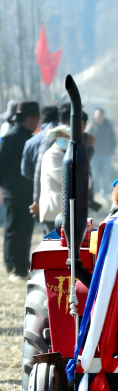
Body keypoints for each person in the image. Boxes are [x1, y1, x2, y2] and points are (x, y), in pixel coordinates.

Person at [0, 102, 40, 280]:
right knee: (14, 229)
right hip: (13, 192)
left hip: (26, 191)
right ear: (29, 118)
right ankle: (12, 266)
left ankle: (23, 266)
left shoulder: (29, 136)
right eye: (37, 118)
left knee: (26, 230)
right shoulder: (11, 137)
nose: (38, 121)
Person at [38, 125, 70, 234]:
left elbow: (87, 180)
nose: (62, 138)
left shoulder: (69, 154)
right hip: (53, 211)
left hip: (64, 211)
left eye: (65, 136)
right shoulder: (51, 155)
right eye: (60, 135)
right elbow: (62, 178)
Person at [21, 105, 58, 181]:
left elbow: (26, 172)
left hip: (39, 184)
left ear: (40, 121)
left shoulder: (30, 142)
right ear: (58, 119)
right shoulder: (65, 138)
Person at [88, 108, 117, 196]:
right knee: (94, 174)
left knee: (106, 173)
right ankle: (95, 191)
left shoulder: (108, 126)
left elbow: (113, 140)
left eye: (100, 115)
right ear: (94, 116)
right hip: (94, 155)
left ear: (104, 116)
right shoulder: (91, 127)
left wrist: (111, 151)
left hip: (106, 155)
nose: (99, 117)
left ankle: (105, 191)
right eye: (97, 115)